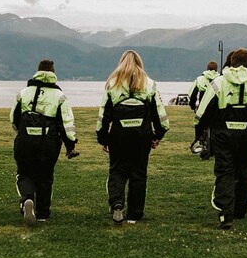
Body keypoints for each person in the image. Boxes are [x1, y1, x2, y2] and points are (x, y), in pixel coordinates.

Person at [194, 48, 247, 229]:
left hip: (222, 135)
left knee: (225, 171)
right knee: (243, 171)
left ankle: (225, 213)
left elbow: (202, 112)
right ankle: (240, 209)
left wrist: (199, 133)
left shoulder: (219, 82)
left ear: (232, 61)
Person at [96, 50, 170, 224]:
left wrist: (103, 139)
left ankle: (117, 204)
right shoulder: (149, 84)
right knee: (138, 173)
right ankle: (135, 215)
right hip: (142, 136)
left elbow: (103, 116)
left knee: (117, 171)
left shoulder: (112, 84)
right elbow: (160, 115)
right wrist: (157, 135)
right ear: (140, 63)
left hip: (118, 136)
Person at [10, 59, 79, 226]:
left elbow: (13, 119)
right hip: (48, 143)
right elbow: (66, 123)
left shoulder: (23, 93)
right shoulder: (59, 95)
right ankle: (42, 213)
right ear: (53, 73)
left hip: (25, 140)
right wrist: (71, 145)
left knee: (24, 173)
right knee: (45, 176)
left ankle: (27, 199)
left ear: (37, 72)